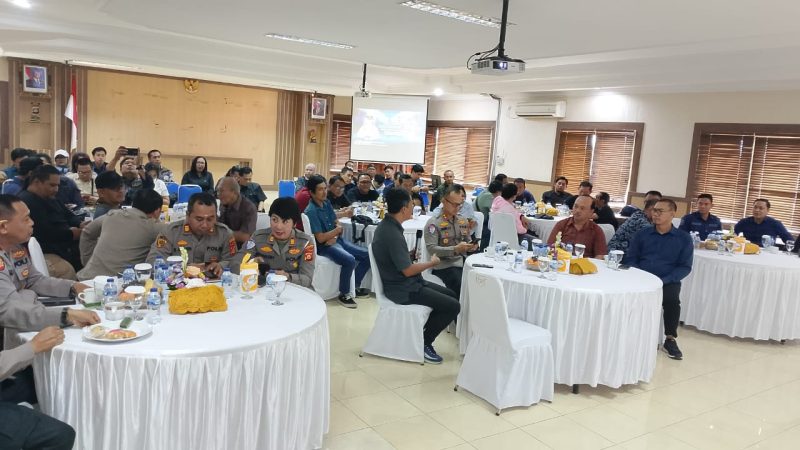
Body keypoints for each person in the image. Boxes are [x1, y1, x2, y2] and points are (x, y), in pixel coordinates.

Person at [0, 194, 99, 450]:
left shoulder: (16, 248)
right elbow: (10, 310)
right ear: (4, 226)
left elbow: (33, 280)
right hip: (9, 348)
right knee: (56, 426)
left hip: (13, 354)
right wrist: (65, 315)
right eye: (26, 219)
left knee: (61, 382)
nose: (32, 223)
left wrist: (72, 286)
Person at [372, 187, 460, 364]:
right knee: (453, 306)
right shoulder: (391, 233)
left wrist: (408, 255)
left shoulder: (389, 226)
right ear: (404, 208)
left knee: (450, 295)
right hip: (402, 289)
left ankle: (419, 336)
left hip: (408, 282)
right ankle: (424, 342)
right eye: (412, 204)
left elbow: (399, 262)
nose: (414, 207)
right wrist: (431, 263)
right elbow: (408, 270)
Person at [627, 199, 693, 360]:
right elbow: (631, 258)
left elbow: (685, 267)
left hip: (667, 280)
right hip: (641, 278)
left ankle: (670, 339)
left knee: (672, 301)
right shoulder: (642, 234)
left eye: (660, 211)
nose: (655, 214)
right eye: (654, 210)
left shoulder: (683, 238)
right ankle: (629, 334)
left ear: (672, 214)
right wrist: (640, 276)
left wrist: (665, 280)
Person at [304, 175, 370, 308]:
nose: (324, 192)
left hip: (335, 240)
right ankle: (344, 293)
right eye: (320, 189)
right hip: (324, 247)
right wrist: (336, 231)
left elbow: (336, 221)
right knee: (349, 260)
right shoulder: (311, 211)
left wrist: (335, 233)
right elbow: (320, 238)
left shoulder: (326, 203)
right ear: (312, 192)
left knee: (368, 255)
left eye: (325, 188)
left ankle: (354, 286)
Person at [77, 189, 164, 280]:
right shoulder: (153, 227)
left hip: (87, 277)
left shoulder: (112, 215)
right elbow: (170, 234)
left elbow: (87, 231)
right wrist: (156, 220)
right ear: (157, 210)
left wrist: (88, 261)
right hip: (118, 283)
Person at [146, 193, 236, 277]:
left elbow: (235, 261)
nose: (205, 225)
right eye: (199, 219)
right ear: (187, 215)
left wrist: (221, 266)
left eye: (210, 219)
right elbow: (152, 261)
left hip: (214, 284)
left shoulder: (224, 233)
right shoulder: (170, 232)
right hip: (178, 283)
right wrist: (183, 268)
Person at [18, 166, 85, 279]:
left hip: (65, 242)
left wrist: (80, 223)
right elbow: (43, 232)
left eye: (58, 185)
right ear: (37, 182)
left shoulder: (49, 196)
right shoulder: (26, 201)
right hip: (47, 248)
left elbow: (68, 214)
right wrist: (72, 234)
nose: (56, 189)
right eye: (52, 185)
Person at [233, 197, 315, 288]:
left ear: (294, 224)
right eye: (274, 220)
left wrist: (287, 276)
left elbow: (307, 279)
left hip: (295, 289)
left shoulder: (305, 242)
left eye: (285, 222)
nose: (278, 226)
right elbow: (235, 263)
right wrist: (251, 266)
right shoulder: (257, 238)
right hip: (264, 289)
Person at [425, 185, 477, 297]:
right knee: (462, 285)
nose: (457, 208)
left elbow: (468, 240)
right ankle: (459, 307)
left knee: (481, 280)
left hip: (464, 262)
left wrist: (472, 246)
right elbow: (431, 249)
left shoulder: (462, 220)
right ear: (444, 201)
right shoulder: (434, 223)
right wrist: (455, 249)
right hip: (445, 265)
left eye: (460, 205)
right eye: (454, 204)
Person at [218, 177, 257, 247]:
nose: (218, 194)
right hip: (223, 246)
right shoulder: (224, 203)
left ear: (233, 192)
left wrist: (220, 233)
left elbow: (245, 236)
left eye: (221, 191)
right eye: (218, 191)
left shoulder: (248, 208)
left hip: (241, 249)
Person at [474, 180, 503, 250]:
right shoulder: (489, 196)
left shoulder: (485, 192)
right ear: (498, 191)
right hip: (479, 223)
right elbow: (497, 211)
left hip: (479, 219)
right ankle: (484, 251)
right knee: (493, 232)